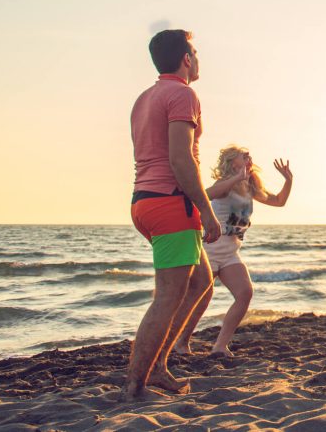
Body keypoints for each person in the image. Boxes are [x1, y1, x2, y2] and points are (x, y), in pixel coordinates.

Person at [125, 29, 221, 401]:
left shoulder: (145, 97)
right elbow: (181, 159)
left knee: (201, 282)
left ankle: (159, 367)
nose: (197, 59)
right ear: (185, 58)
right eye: (194, 52)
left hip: (145, 201)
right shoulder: (183, 94)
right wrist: (207, 212)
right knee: (167, 295)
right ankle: (135, 384)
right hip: (169, 202)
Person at [175, 147, 293, 356]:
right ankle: (181, 343)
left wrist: (288, 180)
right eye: (244, 156)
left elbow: (278, 202)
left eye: (250, 156)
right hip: (209, 249)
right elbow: (205, 195)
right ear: (232, 162)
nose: (249, 158)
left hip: (230, 251)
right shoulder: (224, 185)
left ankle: (220, 346)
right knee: (200, 298)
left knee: (244, 293)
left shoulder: (250, 186)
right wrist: (235, 179)